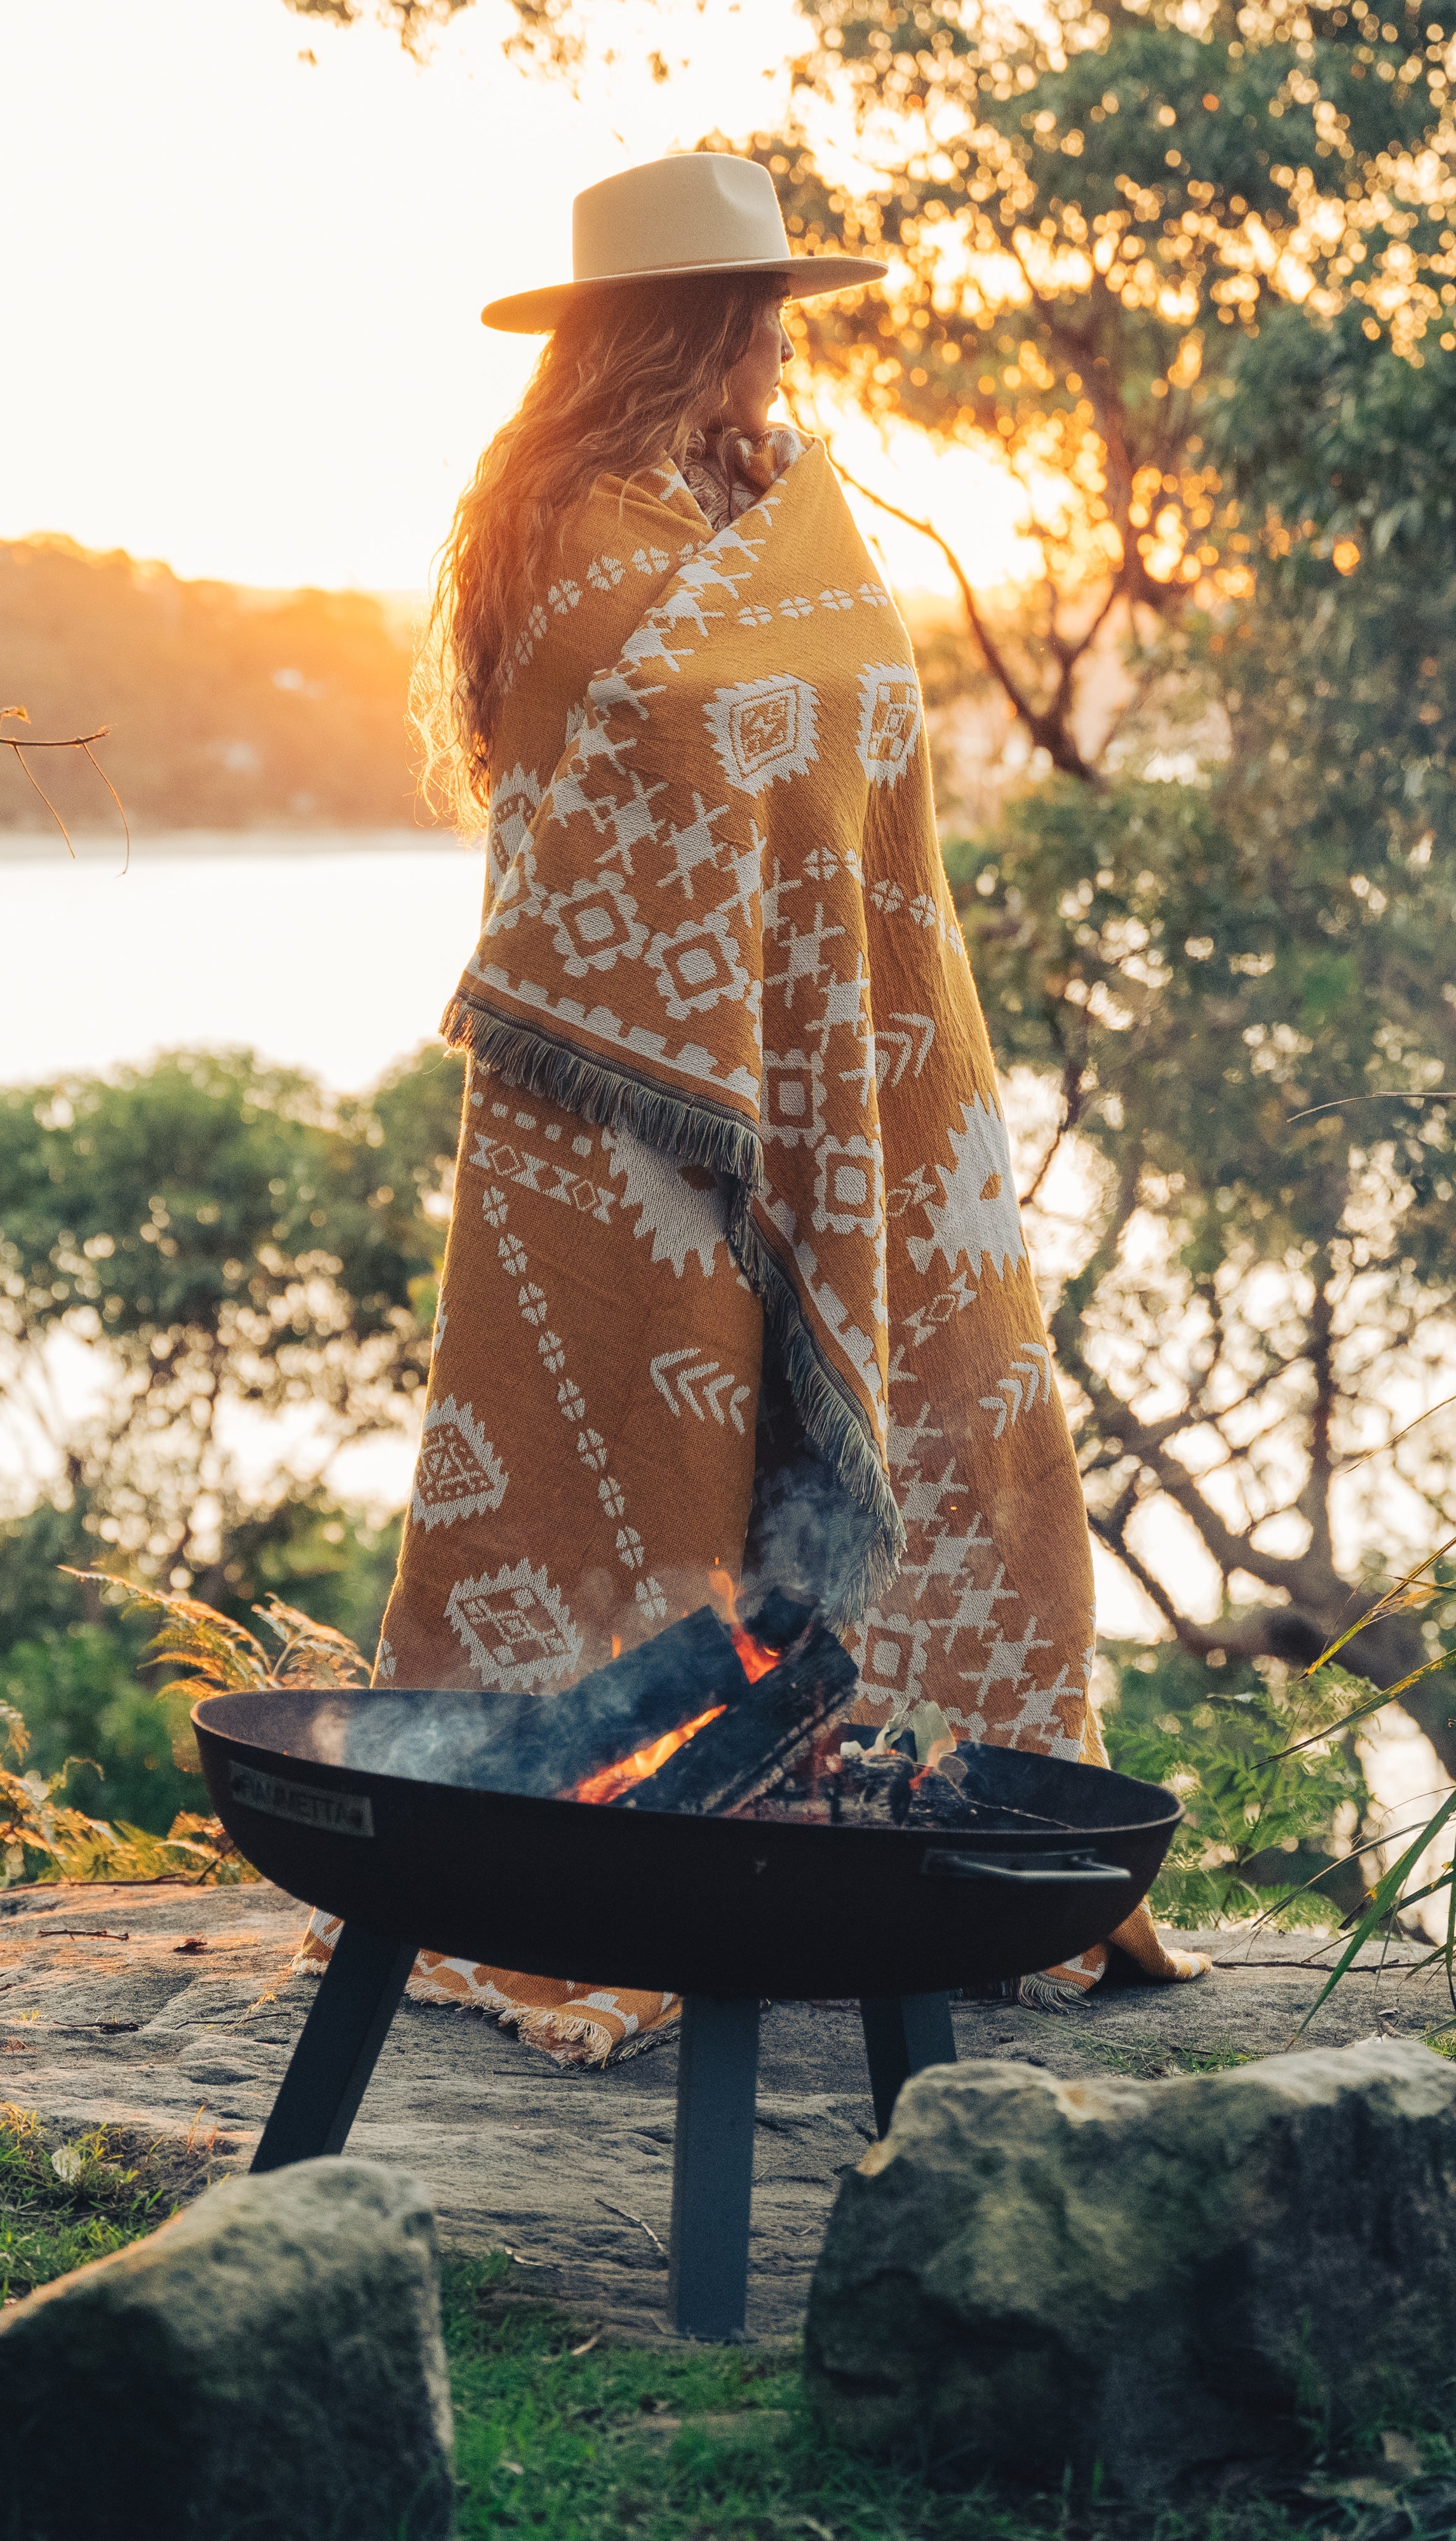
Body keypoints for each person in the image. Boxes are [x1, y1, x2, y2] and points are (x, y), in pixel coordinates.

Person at [298, 154, 1208, 2061]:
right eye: (761, 313)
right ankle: (580, 1855)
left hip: (839, 1060)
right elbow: (663, 743)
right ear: (688, 331)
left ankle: (880, 1819)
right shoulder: (557, 525)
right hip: (620, 1091)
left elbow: (839, 741)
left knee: (956, 1399)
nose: (784, 347)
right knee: (632, 1450)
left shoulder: (766, 512)